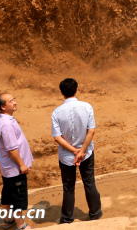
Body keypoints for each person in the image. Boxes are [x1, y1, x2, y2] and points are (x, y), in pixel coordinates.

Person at [51, 78, 102, 223]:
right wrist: (81, 152)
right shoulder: (87, 107)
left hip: (67, 156)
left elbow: (57, 138)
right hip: (86, 153)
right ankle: (95, 214)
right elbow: (91, 132)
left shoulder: (56, 112)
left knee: (68, 187)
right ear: (76, 89)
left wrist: (74, 152)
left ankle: (67, 218)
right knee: (89, 182)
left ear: (61, 93)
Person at [0, 93, 35, 230]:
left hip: (8, 168)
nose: (15, 102)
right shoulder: (6, 125)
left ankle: (8, 219)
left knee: (8, 193)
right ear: (3, 106)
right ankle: (21, 225)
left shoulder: (3, 118)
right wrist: (22, 164)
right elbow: (12, 149)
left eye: (14, 99)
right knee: (17, 197)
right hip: (14, 168)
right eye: (11, 101)